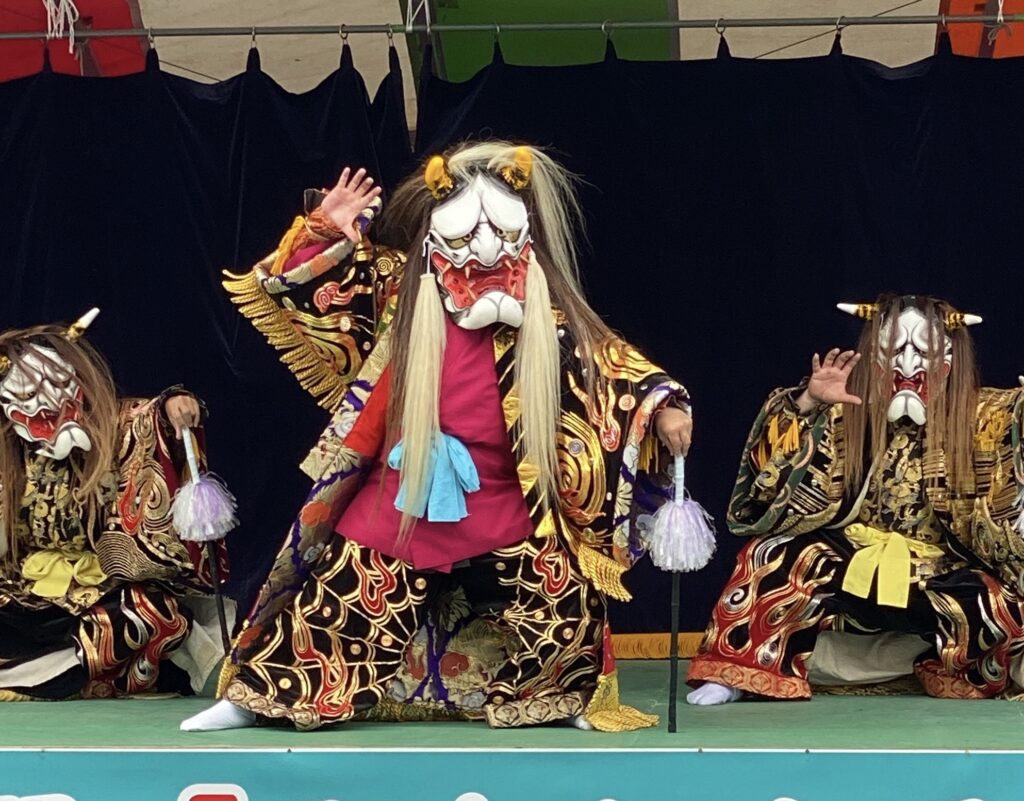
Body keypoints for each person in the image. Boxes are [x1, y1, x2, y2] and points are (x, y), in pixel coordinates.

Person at [182, 141, 692, 732]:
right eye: (465, 238)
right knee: (344, 592)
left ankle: (563, 696)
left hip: (508, 495)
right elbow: (308, 289)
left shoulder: (550, 320)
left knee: (563, 595)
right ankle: (263, 697)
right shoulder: (399, 294)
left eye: (500, 237)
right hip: (404, 487)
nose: (484, 251)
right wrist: (326, 230)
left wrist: (663, 407)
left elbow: (613, 363)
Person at [687, 294, 1024, 705]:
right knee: (771, 555)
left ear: (951, 360)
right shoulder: (844, 409)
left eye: (924, 352)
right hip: (855, 560)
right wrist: (808, 404)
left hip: (941, 571)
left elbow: (1017, 424)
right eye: (893, 350)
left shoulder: (987, 414)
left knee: (999, 606)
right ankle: (740, 671)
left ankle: (934, 664)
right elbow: (766, 491)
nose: (908, 364)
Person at [0, 310, 228, 700]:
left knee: (154, 615)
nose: (51, 419)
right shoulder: (9, 449)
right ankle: (45, 675)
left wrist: (173, 404)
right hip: (25, 589)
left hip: (104, 589)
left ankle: (53, 676)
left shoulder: (118, 426)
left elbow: (149, 417)